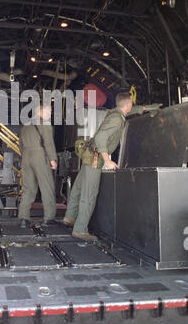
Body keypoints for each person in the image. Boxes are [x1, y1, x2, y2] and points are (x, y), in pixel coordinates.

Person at [63, 92, 162, 241]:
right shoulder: (116, 119)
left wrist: (146, 108)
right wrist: (107, 161)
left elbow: (131, 110)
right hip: (96, 159)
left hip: (89, 156)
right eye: (131, 103)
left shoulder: (115, 112)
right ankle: (80, 229)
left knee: (78, 188)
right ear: (127, 104)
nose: (131, 106)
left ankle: (69, 218)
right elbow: (101, 138)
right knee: (89, 194)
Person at [18, 103, 58, 228]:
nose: (50, 115)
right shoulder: (44, 124)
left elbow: (20, 145)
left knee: (28, 188)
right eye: (48, 112)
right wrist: (52, 159)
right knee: (47, 186)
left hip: (26, 157)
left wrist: (25, 155)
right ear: (39, 112)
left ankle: (24, 218)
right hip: (40, 156)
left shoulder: (25, 126)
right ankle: (49, 218)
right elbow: (49, 143)